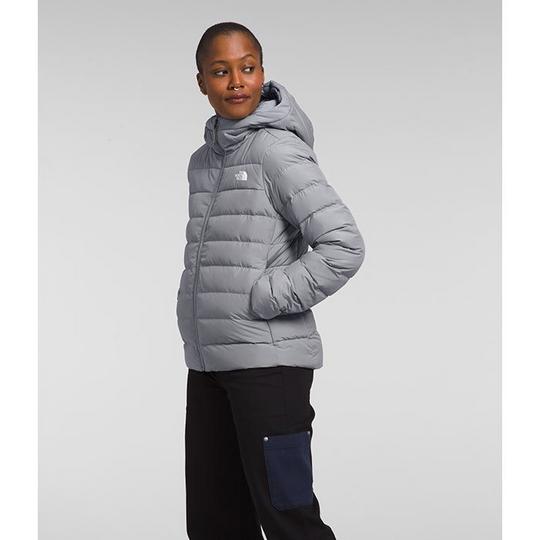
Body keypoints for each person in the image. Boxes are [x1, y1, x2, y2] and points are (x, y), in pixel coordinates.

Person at [177, 21, 366, 540]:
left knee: (288, 520)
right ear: (202, 81)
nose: (237, 81)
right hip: (210, 364)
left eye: (248, 67)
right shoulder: (203, 162)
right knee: (214, 522)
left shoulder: (276, 152)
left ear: (262, 73)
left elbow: (344, 245)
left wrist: (263, 297)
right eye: (221, 71)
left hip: (269, 367)